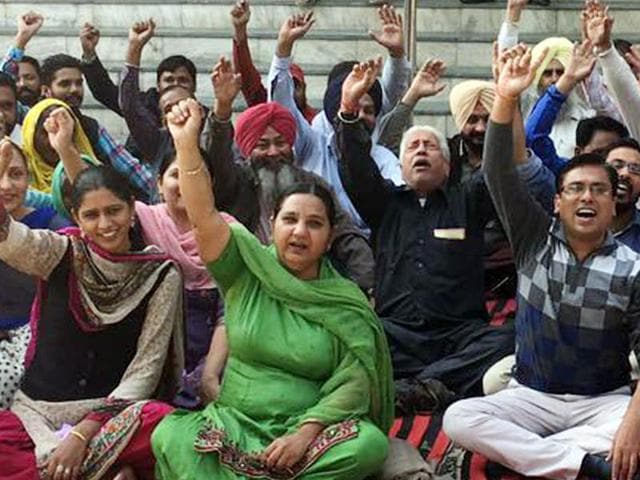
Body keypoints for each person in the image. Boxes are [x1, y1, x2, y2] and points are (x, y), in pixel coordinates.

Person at [151, 97, 393, 479]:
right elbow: (203, 217)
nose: (300, 231)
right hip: (233, 424)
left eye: (314, 224)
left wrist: (304, 434)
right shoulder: (245, 270)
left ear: (330, 237)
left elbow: (355, 382)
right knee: (170, 435)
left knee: (368, 445)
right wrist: (185, 145)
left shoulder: (345, 302)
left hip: (306, 435)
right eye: (290, 220)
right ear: (272, 222)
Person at [443, 44, 640, 480]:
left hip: (601, 401)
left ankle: (528, 457)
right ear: (556, 201)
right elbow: (497, 171)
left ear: (614, 205)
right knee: (458, 418)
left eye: (599, 190)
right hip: (531, 395)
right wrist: (507, 99)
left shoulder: (633, 268)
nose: (586, 197)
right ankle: (583, 464)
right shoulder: (534, 238)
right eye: (575, 189)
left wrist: (630, 427)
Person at [335, 55, 557, 413]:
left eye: (430, 146)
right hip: (397, 333)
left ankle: (416, 386)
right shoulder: (385, 204)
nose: (421, 150)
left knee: (512, 336)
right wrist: (348, 110)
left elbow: (501, 168)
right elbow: (356, 169)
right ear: (401, 165)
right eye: (413, 147)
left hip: (459, 336)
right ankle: (437, 384)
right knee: (352, 337)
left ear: (448, 163)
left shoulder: (469, 197)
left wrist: (508, 100)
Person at [0, 154, 183, 479]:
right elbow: (14, 240)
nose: (104, 224)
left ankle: (79, 467)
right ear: (76, 217)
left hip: (113, 416)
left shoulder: (160, 274)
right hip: (39, 414)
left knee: (168, 427)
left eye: (113, 211)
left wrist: (82, 435)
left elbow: (146, 370)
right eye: (92, 215)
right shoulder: (61, 252)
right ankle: (108, 468)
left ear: (131, 210)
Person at [203, 57, 375, 292]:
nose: (273, 152)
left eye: (280, 142)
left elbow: (346, 236)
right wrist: (222, 109)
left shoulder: (313, 185)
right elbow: (215, 160)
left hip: (307, 284)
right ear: (246, 150)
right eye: (262, 145)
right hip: (248, 285)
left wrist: (365, 287)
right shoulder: (235, 182)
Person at [0, 12, 159, 203]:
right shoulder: (34, 119)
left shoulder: (90, 128)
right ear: (46, 90)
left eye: (78, 83)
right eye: (65, 84)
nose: (74, 90)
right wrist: (21, 39)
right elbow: (4, 87)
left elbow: (133, 171)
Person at [270, 12, 405, 232]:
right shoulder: (312, 145)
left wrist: (397, 55)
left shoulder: (383, 159)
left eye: (369, 111)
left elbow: (398, 202)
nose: (360, 116)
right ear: (335, 111)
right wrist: (284, 48)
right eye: (353, 107)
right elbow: (281, 104)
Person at [0, 139, 68, 410]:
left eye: (15, 174)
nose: (5, 185)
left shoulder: (50, 224)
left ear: (28, 178)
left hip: (32, 331)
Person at [526, 38, 629, 176]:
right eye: (548, 73)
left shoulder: (588, 118)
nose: (555, 80)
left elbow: (608, 109)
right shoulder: (571, 174)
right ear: (578, 153)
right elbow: (533, 137)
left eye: (561, 73)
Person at [231, 0, 318, 123]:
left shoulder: (315, 122)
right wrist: (239, 29)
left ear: (304, 89)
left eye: (295, 86)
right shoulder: (265, 106)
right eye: (284, 86)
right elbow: (246, 76)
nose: (288, 92)